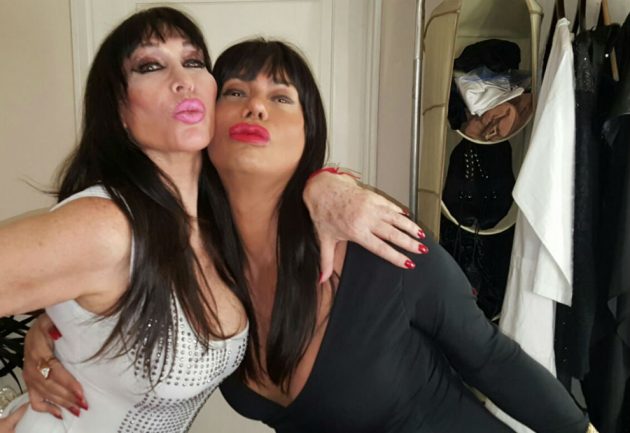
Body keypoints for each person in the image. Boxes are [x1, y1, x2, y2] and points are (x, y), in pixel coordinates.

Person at [23, 38, 596, 432]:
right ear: (205, 124)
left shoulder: (375, 239)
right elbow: (116, 318)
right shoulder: (198, 266)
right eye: (235, 92)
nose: (256, 106)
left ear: (309, 133)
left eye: (281, 97)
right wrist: (49, 337)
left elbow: (493, 358)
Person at [0, 8, 425, 433]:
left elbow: (97, 325)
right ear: (119, 110)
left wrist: (328, 184)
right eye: (150, 66)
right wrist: (44, 351)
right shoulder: (107, 226)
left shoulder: (213, 229)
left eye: (193, 61)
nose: (182, 80)